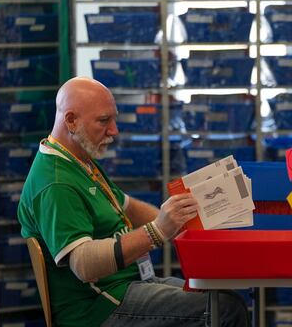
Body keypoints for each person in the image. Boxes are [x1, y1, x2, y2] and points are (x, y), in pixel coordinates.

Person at [17, 77, 248, 327]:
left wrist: (182, 222)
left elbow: (128, 207)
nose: (114, 130)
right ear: (71, 121)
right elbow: (83, 264)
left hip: (127, 284)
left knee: (220, 296)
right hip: (97, 309)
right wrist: (158, 231)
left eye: (113, 119)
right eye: (104, 121)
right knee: (224, 309)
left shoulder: (77, 159)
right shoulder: (56, 184)